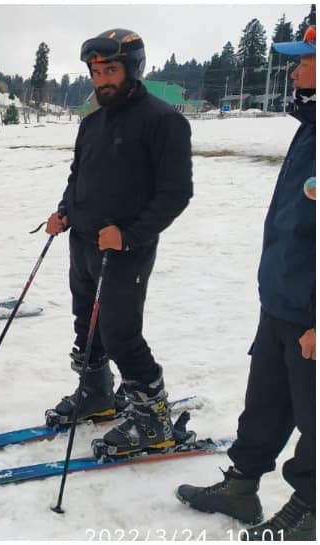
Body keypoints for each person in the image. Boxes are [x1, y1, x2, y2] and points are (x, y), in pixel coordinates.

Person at [176, 26, 315, 541]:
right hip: (283, 297)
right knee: (266, 402)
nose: (293, 70)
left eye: (305, 59)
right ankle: (241, 486)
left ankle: (311, 508)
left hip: (311, 311)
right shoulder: (311, 125)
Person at [43, 28, 193, 455]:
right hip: (84, 243)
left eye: (110, 69)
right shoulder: (91, 123)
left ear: (132, 69)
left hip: (126, 249)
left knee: (121, 334)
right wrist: (65, 211)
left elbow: (176, 194)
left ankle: (153, 421)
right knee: (85, 323)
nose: (102, 78)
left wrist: (129, 236)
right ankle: (97, 395)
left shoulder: (164, 121)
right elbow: (79, 178)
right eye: (95, 71)